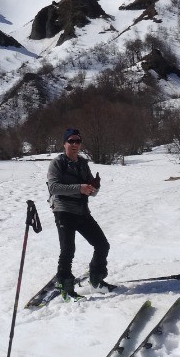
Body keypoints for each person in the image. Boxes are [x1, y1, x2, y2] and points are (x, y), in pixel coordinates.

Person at [47, 128, 111, 299]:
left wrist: (94, 187)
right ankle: (65, 286)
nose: (75, 144)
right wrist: (79, 188)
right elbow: (53, 187)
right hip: (63, 210)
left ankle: (96, 280)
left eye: (78, 141)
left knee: (102, 245)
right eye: (71, 141)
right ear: (64, 144)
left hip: (82, 210)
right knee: (68, 250)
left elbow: (90, 191)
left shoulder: (82, 163)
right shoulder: (57, 163)